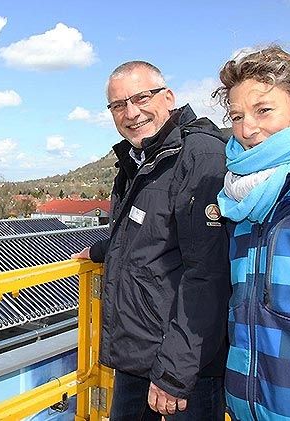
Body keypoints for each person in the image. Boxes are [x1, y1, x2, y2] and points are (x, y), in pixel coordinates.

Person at [72, 61, 231, 420]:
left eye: (141, 97)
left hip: (183, 368)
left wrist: (175, 372)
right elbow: (145, 230)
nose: (131, 113)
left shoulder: (199, 157)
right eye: (118, 105)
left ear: (168, 97)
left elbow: (208, 275)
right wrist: (102, 250)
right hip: (138, 355)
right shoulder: (139, 158)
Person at [212, 46, 290, 421]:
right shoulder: (242, 200)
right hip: (248, 406)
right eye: (236, 116)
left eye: (264, 110)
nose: (247, 129)